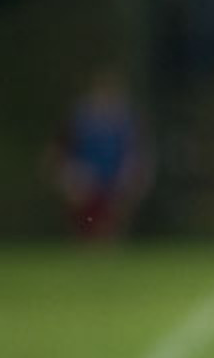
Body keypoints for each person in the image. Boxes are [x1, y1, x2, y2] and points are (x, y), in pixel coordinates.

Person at [47, 68, 153, 240]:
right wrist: (70, 175)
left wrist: (133, 178)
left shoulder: (126, 122)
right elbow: (57, 155)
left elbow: (138, 155)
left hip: (114, 187)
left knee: (108, 226)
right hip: (85, 185)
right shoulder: (80, 119)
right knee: (86, 227)